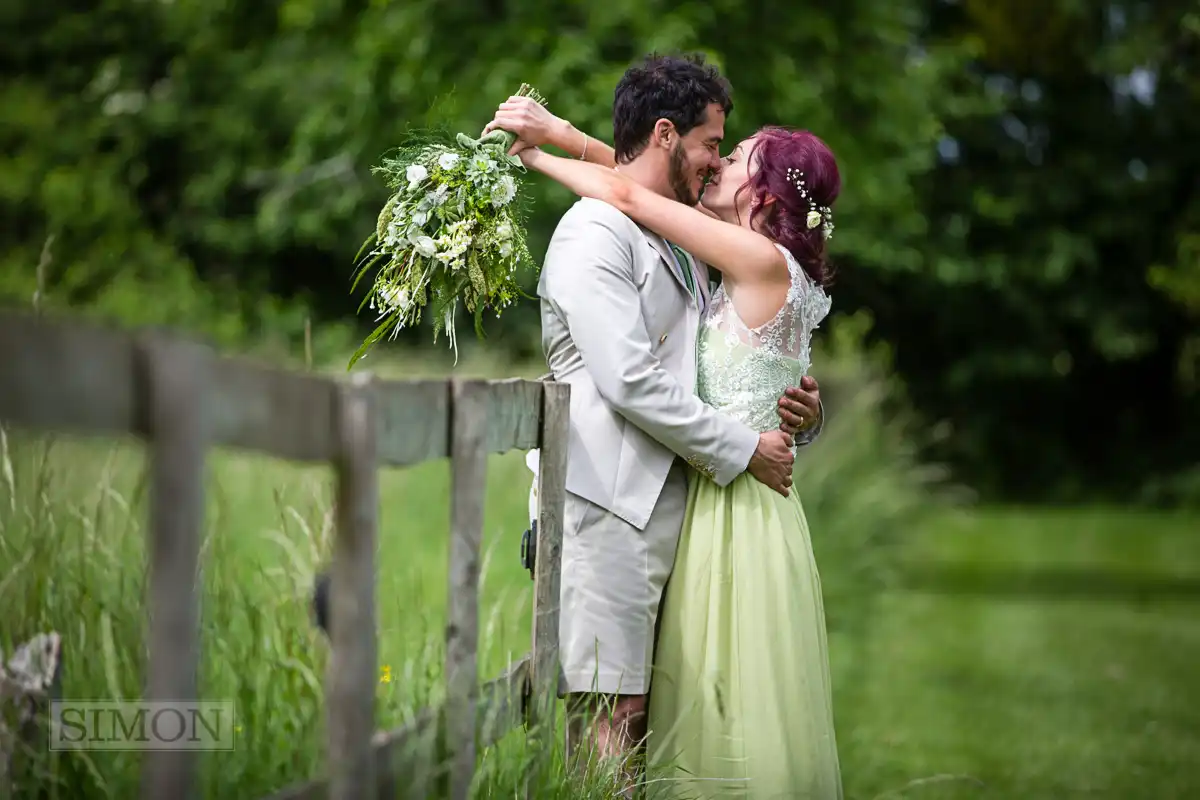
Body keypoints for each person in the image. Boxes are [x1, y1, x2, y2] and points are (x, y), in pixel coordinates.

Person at [491, 54, 841, 798]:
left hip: (694, 515)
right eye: (717, 143)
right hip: (615, 507)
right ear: (667, 134)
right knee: (616, 717)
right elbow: (628, 377)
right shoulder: (598, 235)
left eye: (732, 154)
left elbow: (637, 183)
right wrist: (547, 145)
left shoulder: (705, 246)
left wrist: (553, 140)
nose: (718, 161)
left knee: (662, 722)